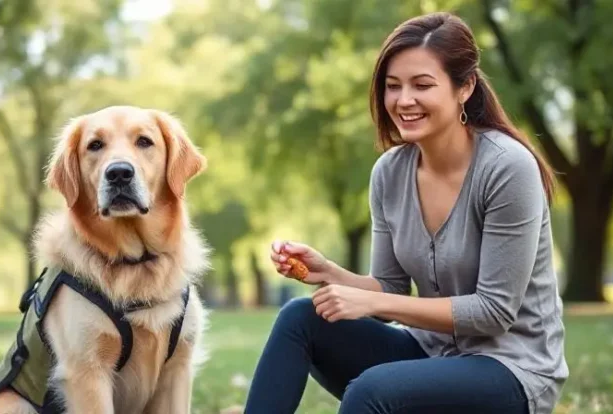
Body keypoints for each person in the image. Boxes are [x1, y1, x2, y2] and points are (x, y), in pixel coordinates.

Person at [242, 11, 568, 414]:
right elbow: (391, 287)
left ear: (465, 87)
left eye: (422, 85)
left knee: (373, 390)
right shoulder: (390, 172)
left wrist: (373, 304)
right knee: (301, 317)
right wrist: (329, 273)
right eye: (392, 86)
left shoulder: (507, 168)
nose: (403, 100)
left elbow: (494, 312)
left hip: (512, 369)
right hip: (430, 353)